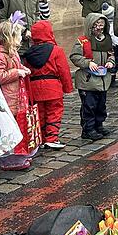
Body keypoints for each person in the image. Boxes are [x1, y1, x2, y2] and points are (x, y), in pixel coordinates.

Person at [21, 20, 74, 149]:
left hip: (35, 88)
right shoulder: (56, 51)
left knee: (40, 113)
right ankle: (52, 138)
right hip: (53, 87)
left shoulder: (29, 53)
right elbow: (64, 70)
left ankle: (42, 137)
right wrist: (68, 87)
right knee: (54, 112)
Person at [0, 20, 35, 171]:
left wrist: (22, 68)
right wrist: (17, 73)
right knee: (9, 129)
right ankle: (10, 160)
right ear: (8, 37)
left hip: (16, 95)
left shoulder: (11, 51)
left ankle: (20, 155)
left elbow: (16, 65)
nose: (21, 39)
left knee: (18, 126)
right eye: (18, 36)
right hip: (7, 97)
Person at [70, 13, 116, 141]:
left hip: (102, 80)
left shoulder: (107, 40)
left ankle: (99, 125)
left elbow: (111, 55)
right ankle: (88, 129)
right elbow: (75, 56)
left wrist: (110, 62)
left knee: (101, 106)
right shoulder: (82, 41)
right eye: (96, 25)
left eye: (101, 25)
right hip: (87, 81)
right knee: (89, 107)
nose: (99, 28)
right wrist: (88, 63)